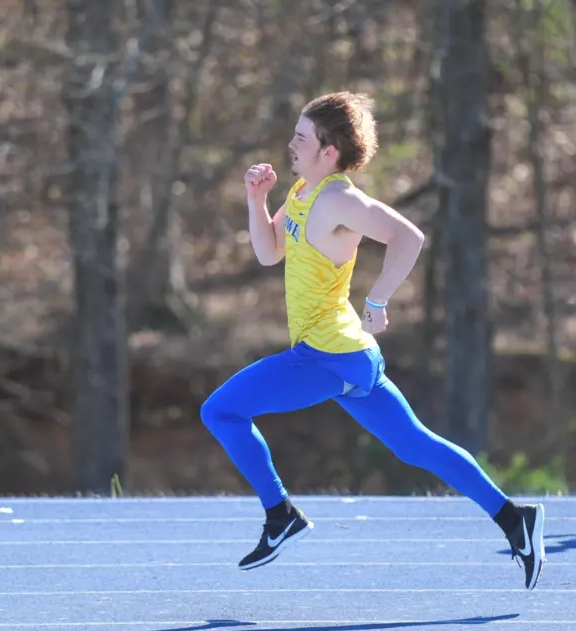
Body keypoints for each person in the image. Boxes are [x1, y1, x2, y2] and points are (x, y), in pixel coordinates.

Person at [200, 91, 545, 590]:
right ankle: (514, 518)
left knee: (221, 411)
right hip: (349, 357)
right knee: (415, 445)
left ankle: (281, 514)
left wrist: (379, 298)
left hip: (327, 356)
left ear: (329, 151)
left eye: (301, 137)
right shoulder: (303, 191)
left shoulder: (339, 199)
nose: (291, 144)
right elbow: (269, 253)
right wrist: (257, 200)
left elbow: (409, 237)